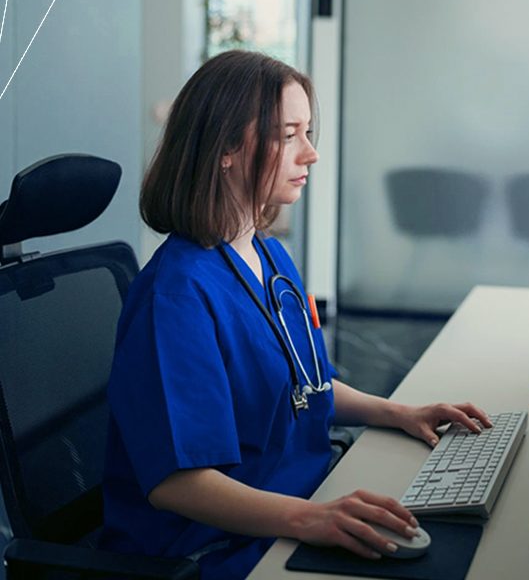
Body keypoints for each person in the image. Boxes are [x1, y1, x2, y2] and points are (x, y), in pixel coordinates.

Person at [101, 50, 491, 578]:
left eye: (307, 133)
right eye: (288, 135)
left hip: (300, 504)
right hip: (217, 550)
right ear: (226, 150)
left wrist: (398, 412)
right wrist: (311, 520)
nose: (310, 154)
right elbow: (179, 483)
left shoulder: (268, 257)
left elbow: (307, 383)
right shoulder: (176, 298)